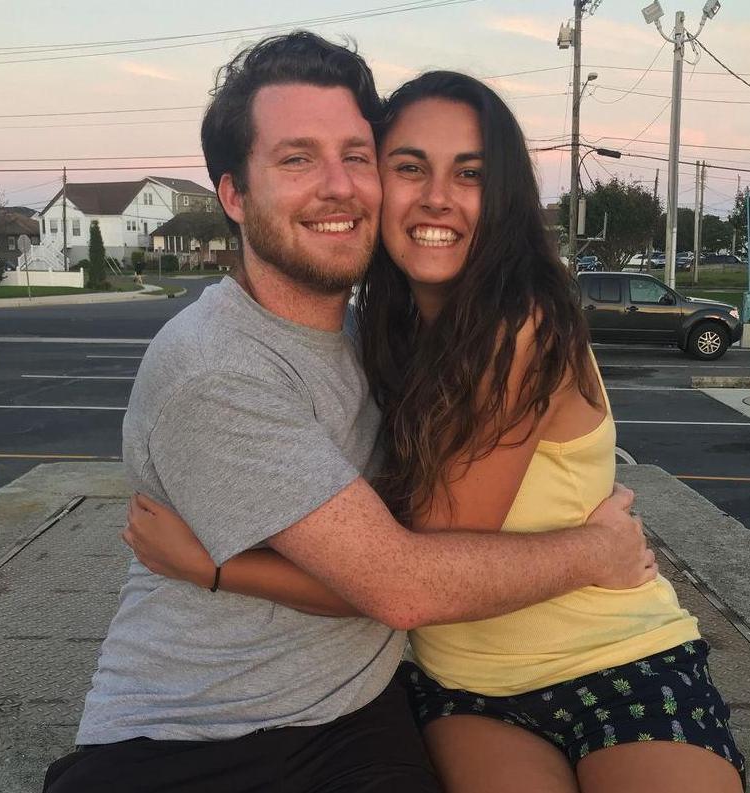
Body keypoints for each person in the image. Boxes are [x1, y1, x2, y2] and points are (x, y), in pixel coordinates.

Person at [43, 33, 655, 793]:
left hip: (356, 717)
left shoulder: (373, 336)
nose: (338, 186)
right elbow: (400, 586)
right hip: (191, 732)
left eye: (355, 156)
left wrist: (217, 567)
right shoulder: (216, 368)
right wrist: (590, 552)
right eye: (296, 159)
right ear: (233, 195)